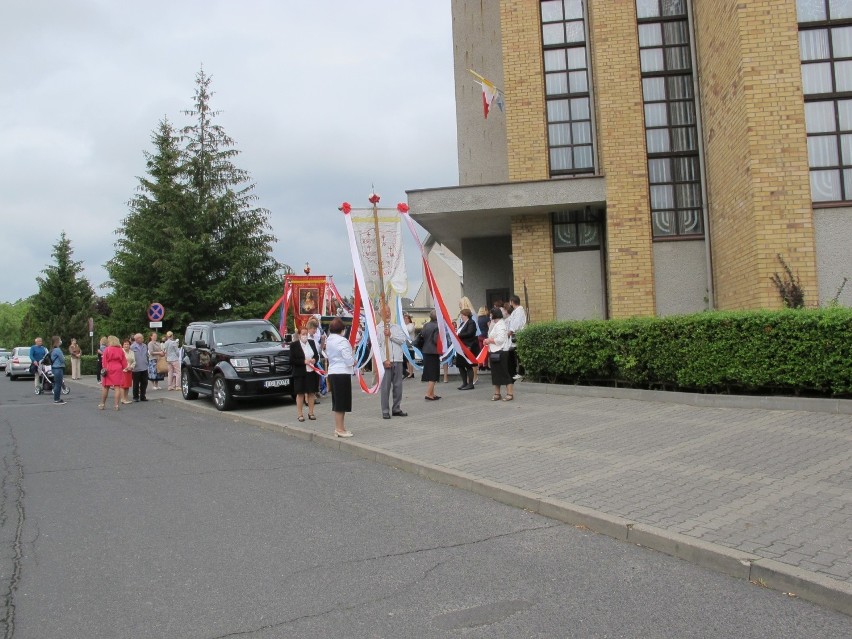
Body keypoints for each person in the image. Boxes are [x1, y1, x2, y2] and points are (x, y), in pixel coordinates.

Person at [325, 317, 355, 437]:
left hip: (333, 372)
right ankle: (339, 428)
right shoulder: (342, 341)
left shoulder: (329, 340)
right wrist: (354, 361)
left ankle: (341, 427)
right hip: (342, 373)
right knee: (341, 402)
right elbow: (348, 359)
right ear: (342, 329)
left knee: (338, 401)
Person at [377, 305, 408, 419]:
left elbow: (402, 340)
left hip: (398, 360)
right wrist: (384, 359)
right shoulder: (378, 328)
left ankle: (396, 408)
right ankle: (385, 410)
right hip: (387, 361)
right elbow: (378, 346)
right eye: (385, 312)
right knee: (385, 387)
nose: (388, 313)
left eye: (389, 311)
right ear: (381, 314)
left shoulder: (396, 327)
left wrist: (391, 335)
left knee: (398, 386)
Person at [289, 327, 320, 422]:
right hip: (300, 372)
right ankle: (300, 414)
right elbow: (292, 360)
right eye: (303, 334)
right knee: (300, 393)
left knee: (311, 392)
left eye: (306, 334)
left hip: (311, 371)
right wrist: (303, 361)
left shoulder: (311, 342)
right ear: (299, 335)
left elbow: (316, 355)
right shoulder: (294, 345)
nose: (305, 336)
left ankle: (311, 413)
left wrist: (314, 359)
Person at [484, 307, 514, 401]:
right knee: (496, 374)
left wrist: (489, 340)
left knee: (504, 373)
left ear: (494, 315)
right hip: (494, 351)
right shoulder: (496, 324)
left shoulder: (501, 325)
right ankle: (497, 393)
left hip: (501, 351)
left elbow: (500, 340)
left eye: (491, 314)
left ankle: (510, 393)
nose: (490, 316)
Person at [99, 336, 127, 411]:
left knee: (106, 387)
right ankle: (116, 405)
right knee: (117, 387)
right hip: (118, 368)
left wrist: (104, 368)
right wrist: (123, 367)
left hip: (109, 368)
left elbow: (104, 361)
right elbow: (124, 362)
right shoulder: (120, 350)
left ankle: (102, 404)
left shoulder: (107, 349)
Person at [419, 310, 441, 401]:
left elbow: (422, 335)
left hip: (426, 351)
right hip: (433, 352)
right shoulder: (437, 326)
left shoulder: (426, 325)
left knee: (429, 371)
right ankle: (428, 394)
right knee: (433, 373)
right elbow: (436, 340)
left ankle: (432, 393)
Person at [455, 308, 478, 390]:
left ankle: (470, 384)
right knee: (460, 365)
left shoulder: (471, 322)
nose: (461, 316)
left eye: (462, 315)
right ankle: (464, 382)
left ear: (466, 315)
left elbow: (470, 333)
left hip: (468, 346)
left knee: (468, 366)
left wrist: (459, 335)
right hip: (460, 347)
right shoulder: (462, 323)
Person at [507, 294, 528, 380]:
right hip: (515, 335)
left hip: (517, 335)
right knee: (516, 354)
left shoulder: (519, 311)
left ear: (512, 302)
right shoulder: (516, 311)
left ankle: (521, 372)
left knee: (519, 355)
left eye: (510, 301)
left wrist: (511, 331)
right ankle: (518, 372)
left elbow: (517, 323)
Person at [131, 333, 149, 402]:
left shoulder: (145, 346)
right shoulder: (132, 347)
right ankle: (135, 397)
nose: (143, 339)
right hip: (136, 368)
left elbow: (146, 355)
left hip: (144, 367)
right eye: (141, 338)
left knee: (144, 382)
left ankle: (143, 396)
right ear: (137, 339)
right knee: (136, 383)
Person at [48, 336, 66, 405]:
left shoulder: (52, 349)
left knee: (57, 383)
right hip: (58, 368)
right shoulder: (58, 350)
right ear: (57, 341)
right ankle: (57, 399)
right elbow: (62, 359)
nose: (61, 341)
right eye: (60, 340)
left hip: (54, 368)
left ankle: (57, 398)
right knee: (58, 384)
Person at [120, 338, 135, 404]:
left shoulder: (132, 352)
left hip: (129, 370)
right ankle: (123, 399)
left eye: (128, 344)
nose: (126, 345)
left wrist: (131, 367)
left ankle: (126, 398)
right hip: (122, 371)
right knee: (123, 385)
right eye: (125, 344)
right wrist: (125, 367)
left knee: (127, 385)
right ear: (122, 345)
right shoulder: (120, 352)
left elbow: (134, 361)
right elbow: (119, 361)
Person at [476, 307, 491, 371]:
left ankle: (480, 365)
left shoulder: (478, 319)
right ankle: (485, 365)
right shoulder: (486, 318)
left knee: (481, 351)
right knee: (486, 351)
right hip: (485, 336)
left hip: (479, 336)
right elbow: (489, 327)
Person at [402, 312, 416, 378]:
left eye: (407, 318)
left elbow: (409, 331)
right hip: (405, 344)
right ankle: (408, 372)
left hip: (410, 343)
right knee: (407, 359)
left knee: (411, 359)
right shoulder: (403, 325)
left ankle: (411, 372)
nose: (405, 320)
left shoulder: (411, 325)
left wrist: (403, 328)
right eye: (404, 318)